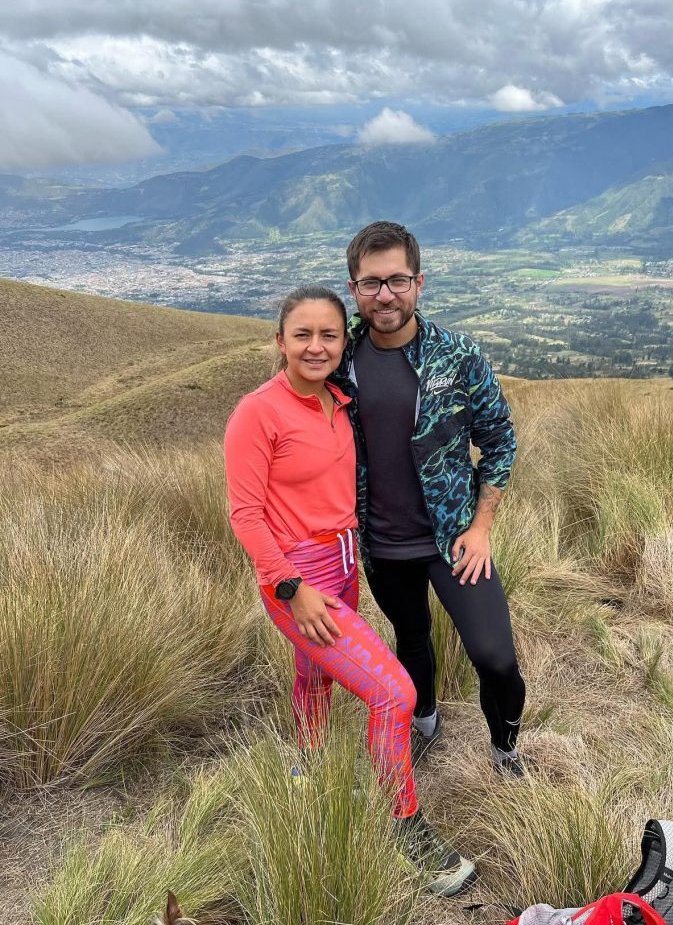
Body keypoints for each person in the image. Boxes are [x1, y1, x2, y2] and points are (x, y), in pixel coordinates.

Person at [223, 285, 476, 897]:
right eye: (302, 335)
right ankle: (404, 827)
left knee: (315, 675)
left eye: (329, 335)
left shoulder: (340, 401)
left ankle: (307, 770)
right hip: (297, 576)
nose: (316, 346)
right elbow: (245, 514)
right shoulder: (258, 412)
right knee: (394, 693)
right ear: (279, 341)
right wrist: (291, 587)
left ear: (344, 342)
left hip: (344, 562)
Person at [336, 223, 526, 776]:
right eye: (372, 283)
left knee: (495, 657)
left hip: (455, 541)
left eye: (397, 280)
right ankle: (424, 724)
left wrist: (481, 527)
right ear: (354, 288)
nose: (385, 295)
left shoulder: (458, 356)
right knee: (412, 639)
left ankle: (506, 749)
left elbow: (500, 440)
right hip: (382, 543)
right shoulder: (338, 359)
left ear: (418, 283)